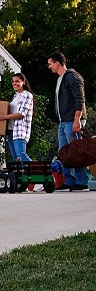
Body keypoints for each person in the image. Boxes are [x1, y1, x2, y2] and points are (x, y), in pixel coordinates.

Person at [47, 51, 89, 192]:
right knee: (64, 152)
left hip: (73, 120)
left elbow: (80, 99)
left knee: (75, 153)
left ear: (57, 63)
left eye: (50, 63)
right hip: (63, 121)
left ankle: (82, 182)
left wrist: (77, 120)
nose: (49, 67)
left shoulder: (72, 77)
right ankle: (69, 181)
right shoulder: (60, 79)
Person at [0, 72, 34, 162]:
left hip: (20, 130)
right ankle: (22, 176)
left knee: (21, 156)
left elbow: (21, 114)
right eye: (13, 81)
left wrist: (3, 117)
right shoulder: (15, 96)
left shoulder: (27, 95)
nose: (14, 83)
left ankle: (41, 171)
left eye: (17, 81)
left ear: (24, 82)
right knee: (16, 159)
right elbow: (11, 112)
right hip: (11, 130)